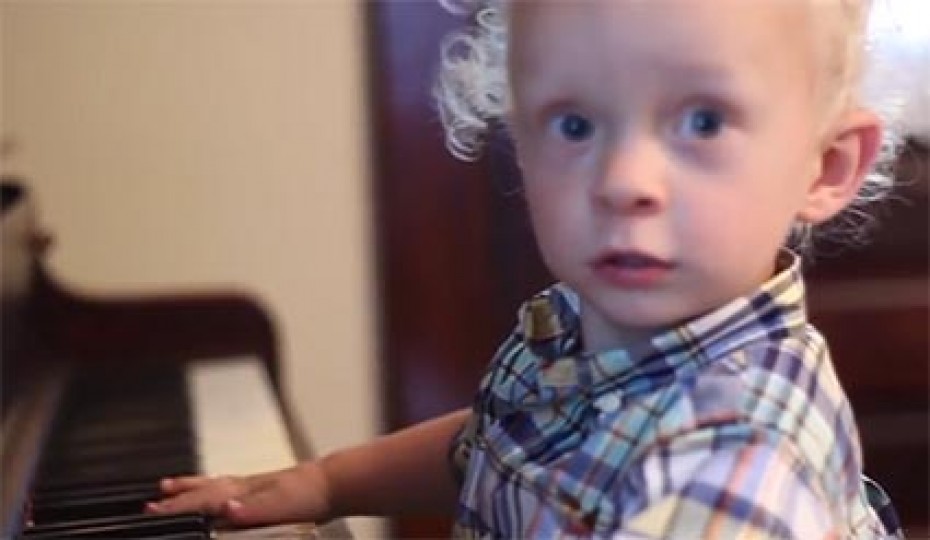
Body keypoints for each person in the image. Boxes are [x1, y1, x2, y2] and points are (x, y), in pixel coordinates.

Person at [148, 0, 912, 537]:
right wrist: (327, 483)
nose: (623, 181)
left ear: (827, 165)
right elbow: (503, 443)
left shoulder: (731, 468)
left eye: (701, 121)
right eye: (575, 124)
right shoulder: (590, 332)